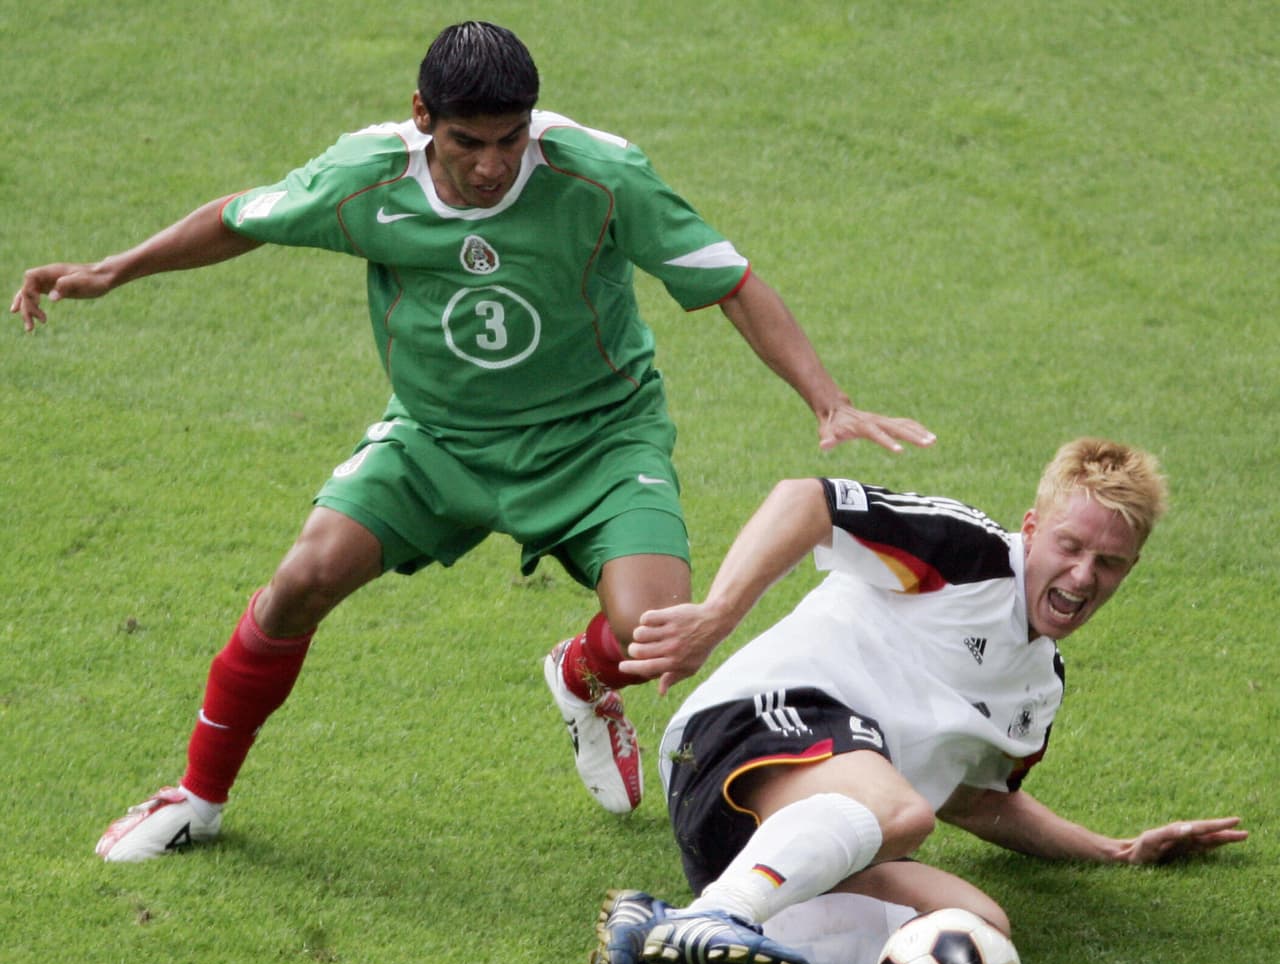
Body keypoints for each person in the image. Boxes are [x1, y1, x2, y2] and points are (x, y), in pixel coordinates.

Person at [11, 22, 934, 862]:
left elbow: (730, 280)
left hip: (598, 440)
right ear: (423, 117)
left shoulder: (600, 177)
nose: (493, 166)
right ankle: (196, 796)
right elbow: (238, 217)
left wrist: (828, 401)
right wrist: (111, 270)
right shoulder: (365, 178)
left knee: (656, 634)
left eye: (510, 139)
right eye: (468, 143)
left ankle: (583, 677)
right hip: (438, 441)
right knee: (301, 579)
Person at [584, 437, 1248, 964]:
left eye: (1108, 562)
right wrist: (717, 615)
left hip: (770, 844)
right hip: (737, 733)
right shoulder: (965, 552)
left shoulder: (1041, 687)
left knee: (976, 929)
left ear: (1131, 567)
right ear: (1032, 527)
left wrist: (1118, 850)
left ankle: (664, 926)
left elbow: (977, 801)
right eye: (1069, 546)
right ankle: (727, 912)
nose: (1081, 575)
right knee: (901, 813)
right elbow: (806, 500)